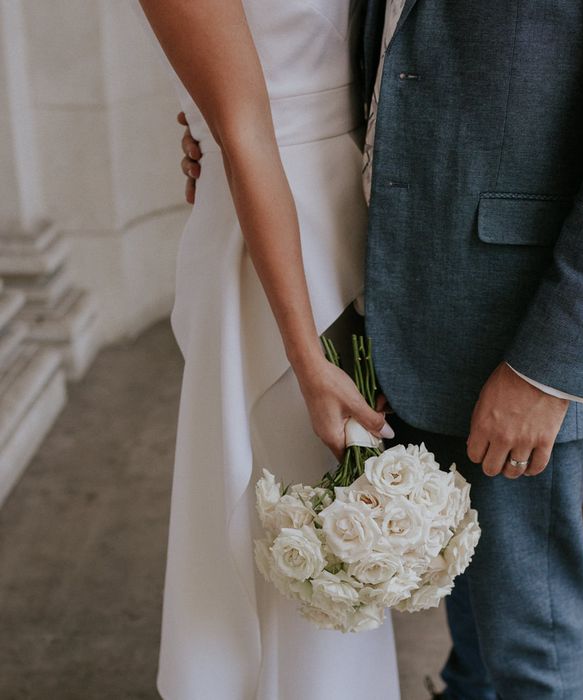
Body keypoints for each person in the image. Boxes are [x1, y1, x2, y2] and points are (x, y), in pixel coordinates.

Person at [179, 0, 583, 698]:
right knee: (469, 607)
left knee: (529, 646)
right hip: (397, 292)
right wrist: (226, 123)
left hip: (524, 326)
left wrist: (546, 370)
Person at [131, 1, 402, 698]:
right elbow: (245, 129)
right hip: (276, 250)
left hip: (357, 208)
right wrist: (310, 359)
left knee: (349, 522)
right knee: (295, 521)